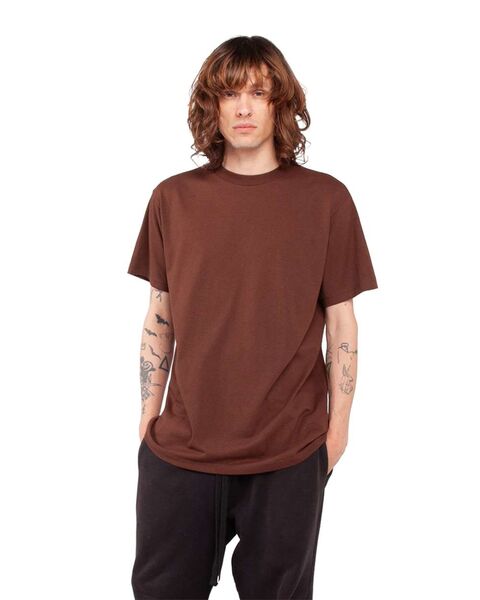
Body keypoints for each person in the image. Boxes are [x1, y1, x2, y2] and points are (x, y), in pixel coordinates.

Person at [127, 35, 378, 600]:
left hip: (289, 452)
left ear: (280, 104)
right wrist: (147, 423)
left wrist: (336, 434)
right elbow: (159, 317)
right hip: (182, 451)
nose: (243, 108)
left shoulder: (326, 200)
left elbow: (342, 323)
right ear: (211, 105)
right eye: (230, 93)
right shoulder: (172, 199)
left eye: (259, 93)